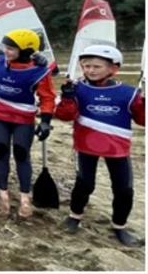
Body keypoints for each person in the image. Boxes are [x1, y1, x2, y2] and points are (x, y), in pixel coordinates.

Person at [55, 45, 145, 247]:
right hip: (86, 146)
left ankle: (120, 226)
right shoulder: (77, 88)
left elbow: (142, 120)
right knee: (85, 184)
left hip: (117, 149)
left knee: (124, 190)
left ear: (114, 68)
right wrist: (68, 97)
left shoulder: (129, 93)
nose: (90, 70)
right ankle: (74, 216)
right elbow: (64, 116)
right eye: (86, 66)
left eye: (96, 66)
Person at [0, 29, 55, 218]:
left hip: (23, 119)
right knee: (0, 150)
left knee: (21, 153)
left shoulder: (39, 71)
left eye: (11, 49)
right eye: (5, 47)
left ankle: (25, 198)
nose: (6, 52)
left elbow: (47, 98)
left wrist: (46, 122)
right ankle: (3, 195)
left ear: (25, 51)